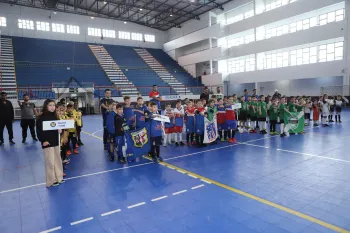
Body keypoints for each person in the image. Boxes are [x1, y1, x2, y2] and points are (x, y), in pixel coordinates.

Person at [36, 99, 64, 187]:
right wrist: (43, 140)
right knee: (50, 162)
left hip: (55, 141)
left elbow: (59, 127)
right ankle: (51, 181)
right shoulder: (41, 117)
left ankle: (59, 177)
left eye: (53, 105)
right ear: (46, 106)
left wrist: (61, 131)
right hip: (47, 142)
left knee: (57, 161)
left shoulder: (56, 116)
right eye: (50, 105)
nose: (52, 107)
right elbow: (39, 131)